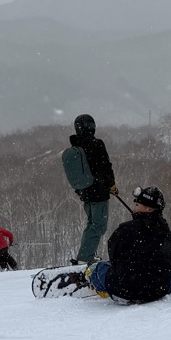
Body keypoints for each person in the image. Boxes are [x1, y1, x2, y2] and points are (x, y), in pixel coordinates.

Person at [85, 185, 171, 303]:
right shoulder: (168, 235)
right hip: (156, 291)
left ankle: (94, 280)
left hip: (123, 290)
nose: (133, 208)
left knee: (99, 267)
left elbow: (114, 256)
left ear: (149, 209)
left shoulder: (125, 229)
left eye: (137, 205)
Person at [66, 113, 116, 265]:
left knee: (91, 224)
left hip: (85, 192)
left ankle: (86, 255)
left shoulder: (76, 147)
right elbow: (105, 166)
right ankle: (85, 258)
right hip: (99, 191)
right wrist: (111, 184)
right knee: (99, 225)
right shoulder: (97, 144)